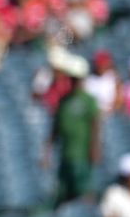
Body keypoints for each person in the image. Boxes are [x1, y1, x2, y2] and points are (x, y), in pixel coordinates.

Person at [42, 51, 101, 207]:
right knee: (63, 192)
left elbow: (95, 124)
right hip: (65, 155)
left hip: (81, 155)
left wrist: (94, 147)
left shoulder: (88, 101)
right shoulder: (64, 101)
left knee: (83, 191)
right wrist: (47, 150)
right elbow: (56, 126)